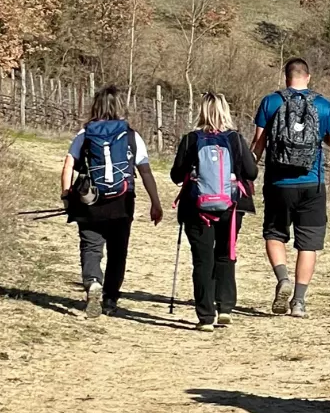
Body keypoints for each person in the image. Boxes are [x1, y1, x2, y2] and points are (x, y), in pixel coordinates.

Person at [59, 85, 163, 318]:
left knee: (91, 246)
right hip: (122, 200)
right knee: (118, 251)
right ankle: (110, 299)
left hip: (89, 200)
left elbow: (68, 165)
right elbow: (145, 171)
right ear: (120, 106)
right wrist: (155, 203)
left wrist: (66, 195)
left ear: (95, 106)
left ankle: (93, 282)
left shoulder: (84, 134)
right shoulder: (131, 135)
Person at [251, 57, 330, 318]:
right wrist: (320, 135)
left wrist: (248, 173)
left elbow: (258, 143)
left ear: (286, 77)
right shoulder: (323, 105)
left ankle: (283, 278)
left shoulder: (271, 102)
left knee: (274, 234)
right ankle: (299, 301)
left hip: (278, 183)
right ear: (308, 77)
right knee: (308, 243)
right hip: (312, 183)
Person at [170, 93, 257, 331]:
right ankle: (226, 308)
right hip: (231, 208)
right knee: (225, 255)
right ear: (225, 111)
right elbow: (251, 173)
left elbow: (176, 175)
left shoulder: (191, 139)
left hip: (196, 208)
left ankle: (205, 317)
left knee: (202, 260)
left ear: (202, 112)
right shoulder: (236, 139)